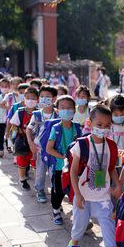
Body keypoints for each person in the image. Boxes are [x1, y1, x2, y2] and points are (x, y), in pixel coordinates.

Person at [67, 104, 124, 247]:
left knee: (108, 226)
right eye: (99, 125)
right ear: (90, 123)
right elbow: (73, 172)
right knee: (80, 225)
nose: (104, 129)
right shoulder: (82, 145)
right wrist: (77, 194)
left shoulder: (111, 146)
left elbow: (112, 168)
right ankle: (73, 244)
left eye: (107, 126)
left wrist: (118, 184)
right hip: (83, 195)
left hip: (103, 196)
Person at [46, 95, 81, 226]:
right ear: (57, 110)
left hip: (74, 167)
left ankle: (79, 215)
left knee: (74, 190)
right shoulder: (56, 128)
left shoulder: (77, 127)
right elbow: (49, 148)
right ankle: (56, 210)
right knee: (58, 191)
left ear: (74, 110)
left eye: (69, 108)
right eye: (62, 108)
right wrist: (63, 157)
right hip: (59, 167)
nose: (66, 110)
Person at [27, 85, 59, 203]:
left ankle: (56, 193)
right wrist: (31, 143)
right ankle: (39, 190)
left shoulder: (58, 115)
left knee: (54, 173)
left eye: (48, 97)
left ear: (54, 99)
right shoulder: (37, 114)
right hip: (40, 150)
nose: (44, 99)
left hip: (54, 150)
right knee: (40, 172)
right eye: (42, 96)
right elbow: (29, 129)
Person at [9, 85, 39, 189]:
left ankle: (38, 183)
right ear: (24, 99)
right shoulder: (20, 112)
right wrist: (22, 131)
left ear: (37, 100)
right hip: (23, 141)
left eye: (33, 98)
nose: (31, 100)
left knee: (36, 163)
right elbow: (13, 126)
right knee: (22, 161)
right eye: (28, 98)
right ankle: (22, 180)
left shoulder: (39, 113)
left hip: (36, 143)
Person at [108, 94, 124, 180]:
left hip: (123, 163)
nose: (119, 116)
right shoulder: (106, 126)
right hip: (107, 161)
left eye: (122, 114)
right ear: (110, 112)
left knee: (121, 184)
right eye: (115, 114)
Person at [0, 78, 14, 158]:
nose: (4, 88)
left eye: (6, 86)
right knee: (0, 135)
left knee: (10, 134)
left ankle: (9, 147)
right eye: (2, 86)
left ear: (9, 86)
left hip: (11, 120)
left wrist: (7, 107)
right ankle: (0, 149)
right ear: (0, 87)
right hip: (1, 119)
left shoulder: (12, 96)